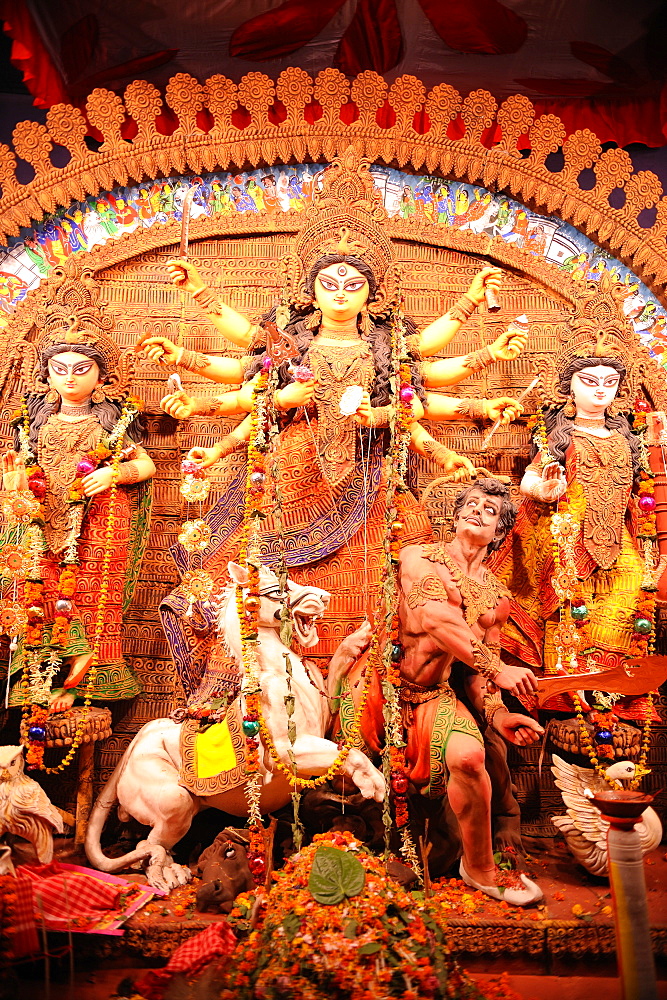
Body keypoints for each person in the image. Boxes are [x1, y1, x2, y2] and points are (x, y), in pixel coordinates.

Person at [137, 157, 528, 701]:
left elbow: (426, 387)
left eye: (353, 283)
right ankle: (245, 697)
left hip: (368, 481)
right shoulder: (287, 343)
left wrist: (477, 382)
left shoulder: (387, 349)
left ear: (373, 294)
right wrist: (193, 321)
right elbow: (243, 382)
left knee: (383, 585)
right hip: (287, 482)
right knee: (249, 581)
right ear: (312, 290)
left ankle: (370, 700)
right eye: (329, 282)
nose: (340, 291)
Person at [339, 479, 544, 905]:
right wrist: (497, 667)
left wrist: (499, 716)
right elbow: (433, 618)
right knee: (344, 779)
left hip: (435, 697)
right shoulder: (419, 557)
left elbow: (477, 677)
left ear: (500, 531)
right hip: (380, 687)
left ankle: (480, 868)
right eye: (471, 504)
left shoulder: (496, 599)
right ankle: (335, 862)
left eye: (489, 510)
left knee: (470, 758)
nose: (477, 511)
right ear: (454, 515)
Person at [0, 304, 155, 714]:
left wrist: (113, 475)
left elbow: (146, 465)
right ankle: (37, 678)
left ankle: (83, 679)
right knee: (38, 591)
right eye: (60, 369)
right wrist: (14, 486)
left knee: (92, 597)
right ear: (47, 375)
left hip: (98, 519)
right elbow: (15, 472)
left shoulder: (110, 424)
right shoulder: (33, 426)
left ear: (101, 377)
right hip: (39, 520)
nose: (70, 377)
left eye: (81, 368)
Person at [490, 351, 661, 720]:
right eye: (589, 381)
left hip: (618, 537)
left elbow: (644, 485)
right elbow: (530, 480)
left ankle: (614, 694)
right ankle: (568, 695)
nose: (601, 391)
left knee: (633, 597)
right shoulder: (561, 436)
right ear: (569, 388)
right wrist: (543, 491)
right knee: (568, 608)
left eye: (610, 383)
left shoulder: (625, 437)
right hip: (571, 539)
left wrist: (655, 441)